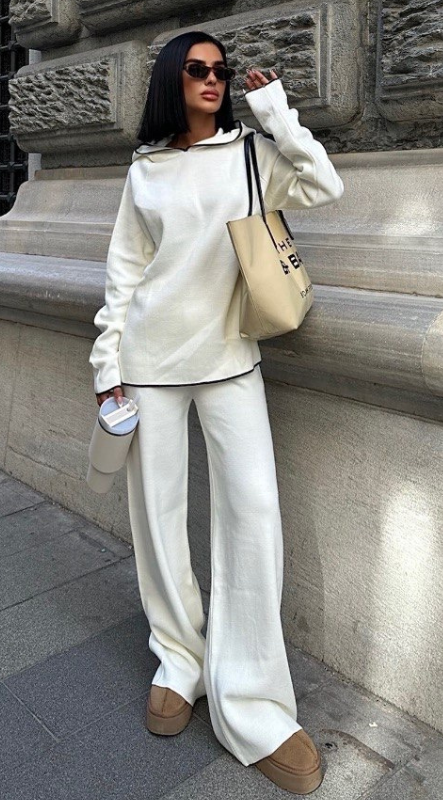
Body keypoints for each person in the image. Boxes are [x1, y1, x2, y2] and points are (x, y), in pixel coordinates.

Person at [89, 30, 344, 795]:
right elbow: (123, 278)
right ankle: (179, 660)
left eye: (220, 70)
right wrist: (107, 370)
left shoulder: (252, 155)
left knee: (253, 515)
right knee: (158, 519)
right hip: (149, 366)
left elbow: (324, 183)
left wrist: (277, 111)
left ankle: (255, 706)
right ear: (172, 79)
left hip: (232, 357)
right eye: (197, 68)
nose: (212, 78)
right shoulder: (145, 171)